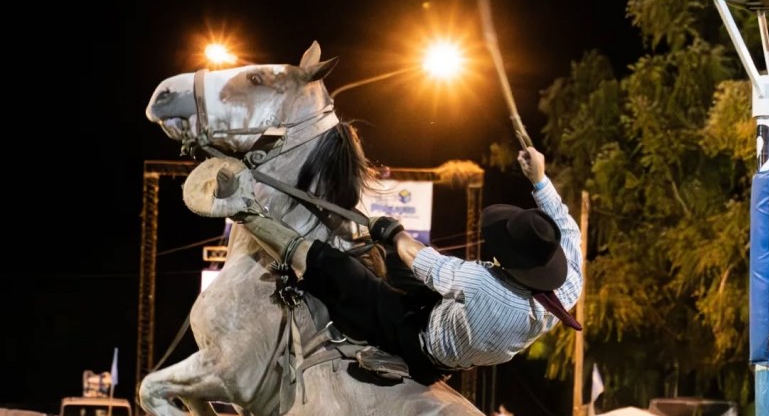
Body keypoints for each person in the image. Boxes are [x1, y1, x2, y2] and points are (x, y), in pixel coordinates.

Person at [201, 146, 583, 387]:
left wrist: (395, 232)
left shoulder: (482, 283)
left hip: (420, 341)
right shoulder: (569, 285)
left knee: (340, 271)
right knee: (382, 259)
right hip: (456, 324)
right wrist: (539, 179)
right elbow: (567, 225)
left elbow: (422, 259)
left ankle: (244, 212)